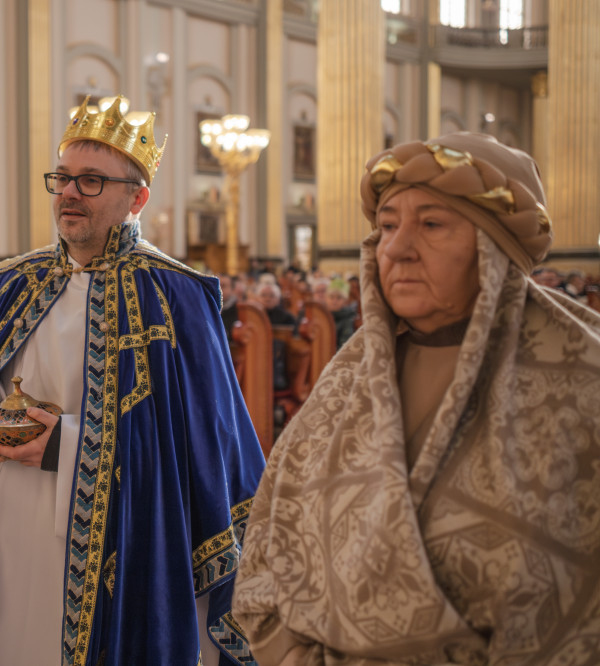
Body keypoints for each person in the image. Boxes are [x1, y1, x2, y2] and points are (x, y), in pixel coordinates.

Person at [0, 95, 265, 665]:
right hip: (3, 523)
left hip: (113, 537)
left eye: (93, 181)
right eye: (64, 179)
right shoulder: (14, 284)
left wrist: (64, 444)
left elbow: (200, 444)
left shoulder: (176, 296)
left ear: (138, 198)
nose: (70, 193)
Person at [233, 133, 600, 664]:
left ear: (493, 250)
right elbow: (265, 557)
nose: (398, 248)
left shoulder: (580, 379)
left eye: (431, 224)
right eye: (386, 227)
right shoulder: (344, 380)